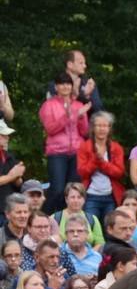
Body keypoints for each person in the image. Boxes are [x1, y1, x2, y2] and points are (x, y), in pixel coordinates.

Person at [38, 71, 90, 213]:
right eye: (62, 84)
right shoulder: (48, 105)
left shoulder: (79, 105)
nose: (65, 87)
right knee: (57, 190)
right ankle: (42, 218)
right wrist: (69, 116)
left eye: (68, 84)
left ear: (72, 87)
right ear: (56, 87)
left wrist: (80, 117)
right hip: (57, 152)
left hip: (76, 153)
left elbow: (84, 131)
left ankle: (65, 222)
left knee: (72, 192)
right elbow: (50, 128)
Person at [51, 48, 102, 113]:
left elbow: (98, 110)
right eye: (81, 63)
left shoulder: (88, 84)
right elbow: (54, 109)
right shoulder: (56, 84)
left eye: (85, 63)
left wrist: (86, 97)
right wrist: (77, 95)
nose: (85, 66)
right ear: (70, 64)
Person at [0, 118, 22, 197]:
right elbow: (10, 176)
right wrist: (10, 177)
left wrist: (18, 176)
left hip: (9, 204)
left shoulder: (8, 156)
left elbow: (19, 184)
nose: (7, 137)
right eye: (3, 135)